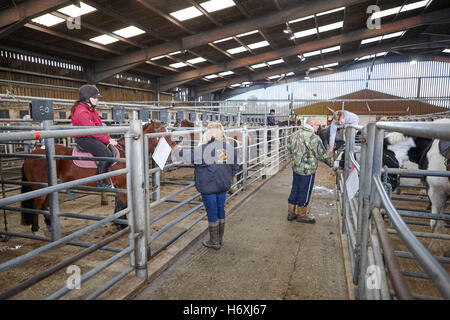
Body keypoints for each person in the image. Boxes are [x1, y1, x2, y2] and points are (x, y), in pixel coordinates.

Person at [175, 122, 239, 249]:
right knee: (221, 209)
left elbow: (184, 156)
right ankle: (219, 239)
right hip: (223, 185)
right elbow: (235, 167)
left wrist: (176, 147)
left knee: (212, 211)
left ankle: (214, 241)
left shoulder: (202, 150)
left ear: (208, 135)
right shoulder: (230, 149)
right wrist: (228, 177)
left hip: (208, 186)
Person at [287, 117, 333, 223]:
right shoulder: (313, 138)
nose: (318, 127)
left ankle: (291, 212)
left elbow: (289, 148)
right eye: (317, 125)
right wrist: (332, 164)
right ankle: (302, 215)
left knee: (295, 189)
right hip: (307, 170)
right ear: (312, 125)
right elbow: (321, 154)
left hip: (296, 167)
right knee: (305, 191)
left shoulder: (295, 134)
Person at [71, 84, 117, 188]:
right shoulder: (81, 111)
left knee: (110, 150)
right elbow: (92, 131)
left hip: (91, 136)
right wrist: (107, 140)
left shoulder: (91, 110)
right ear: (86, 99)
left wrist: (108, 138)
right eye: (94, 98)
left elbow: (99, 126)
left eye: (97, 98)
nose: (97, 100)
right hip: (84, 138)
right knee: (106, 154)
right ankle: (100, 182)